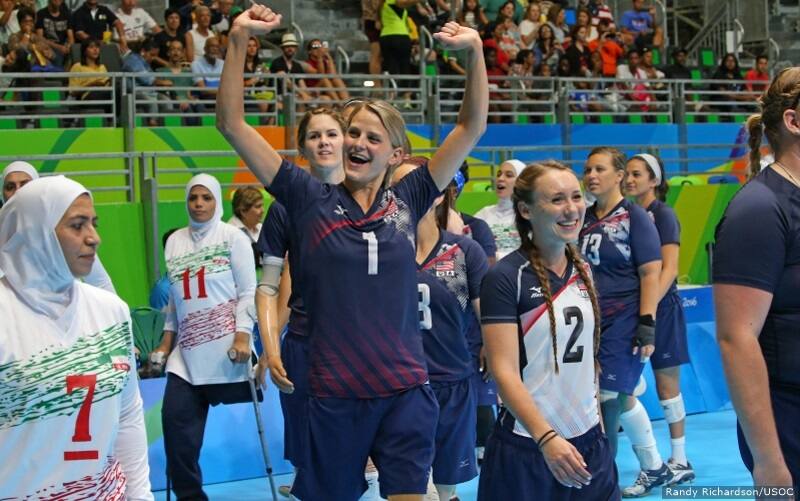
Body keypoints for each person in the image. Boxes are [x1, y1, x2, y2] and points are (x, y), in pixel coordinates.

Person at [217, 5, 488, 499]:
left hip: (405, 390)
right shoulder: (307, 198)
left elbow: (470, 128)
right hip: (335, 394)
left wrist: (475, 53)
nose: (357, 142)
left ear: (396, 155)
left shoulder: (410, 197)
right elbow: (232, 124)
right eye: (352, 133)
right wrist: (238, 39)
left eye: (372, 137)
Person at [0, 175, 152, 499]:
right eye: (77, 225)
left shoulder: (111, 311)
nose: (94, 238)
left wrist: (140, 495)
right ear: (36, 232)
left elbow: (127, 416)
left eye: (93, 224)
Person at [478, 160, 620, 500]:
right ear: (526, 210)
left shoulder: (583, 269)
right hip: (528, 448)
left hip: (588, 443)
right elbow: (503, 371)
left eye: (576, 196)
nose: (571, 209)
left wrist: (598, 432)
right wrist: (546, 438)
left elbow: (588, 363)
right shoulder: (505, 278)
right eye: (557, 199)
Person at [714, 67, 800, 492]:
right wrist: (768, 461)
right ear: (793, 121)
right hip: (790, 422)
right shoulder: (759, 210)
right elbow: (736, 338)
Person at [254, 105, 347, 498]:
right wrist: (270, 347)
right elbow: (270, 286)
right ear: (302, 149)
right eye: (314, 136)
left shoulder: (371, 197)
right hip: (306, 347)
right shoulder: (285, 208)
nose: (323, 142)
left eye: (331, 133)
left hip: (365, 347)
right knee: (309, 455)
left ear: (346, 141)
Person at [150, 173, 257, 499]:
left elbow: (248, 292)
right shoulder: (174, 241)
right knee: (176, 432)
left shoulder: (233, 238)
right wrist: (166, 342)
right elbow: (175, 300)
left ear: (217, 201)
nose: (198, 204)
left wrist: (243, 336)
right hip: (185, 357)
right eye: (193, 198)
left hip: (227, 352)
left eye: (206, 197)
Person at [392, 159, 488, 500]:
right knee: (409, 486)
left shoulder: (464, 251)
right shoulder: (380, 251)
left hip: (452, 383)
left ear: (436, 194)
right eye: (395, 189)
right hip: (398, 386)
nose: (402, 195)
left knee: (446, 486)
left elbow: (490, 319)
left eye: (412, 186)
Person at [579, 147, 672, 497]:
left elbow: (651, 272)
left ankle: (603, 483)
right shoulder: (582, 216)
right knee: (616, 395)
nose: (591, 175)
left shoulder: (636, 217)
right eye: (587, 169)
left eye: (599, 169)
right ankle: (654, 466)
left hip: (625, 319)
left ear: (619, 176)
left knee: (608, 398)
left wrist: (647, 323)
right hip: (589, 321)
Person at [624, 153, 695, 485]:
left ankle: (680, 459)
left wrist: (648, 309)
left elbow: (669, 268)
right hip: (631, 311)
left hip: (661, 311)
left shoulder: (663, 215)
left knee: (668, 387)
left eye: (637, 174)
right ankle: (650, 463)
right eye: (626, 173)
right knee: (622, 388)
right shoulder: (624, 215)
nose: (629, 179)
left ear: (654, 180)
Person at [2, 161, 116, 292]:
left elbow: (101, 282)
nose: (18, 191)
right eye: (10, 187)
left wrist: (113, 306)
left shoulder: (61, 229)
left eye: (25, 185)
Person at [474, 159, 524, 260]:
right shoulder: (483, 214)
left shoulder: (528, 215)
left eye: (509, 175)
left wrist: (497, 257)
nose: (500, 178)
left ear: (521, 183)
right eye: (499, 174)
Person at [35, 0, 73, 68]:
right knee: (55, 56)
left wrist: (69, 46)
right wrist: (58, 47)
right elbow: (39, 38)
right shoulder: (41, 14)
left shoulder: (67, 14)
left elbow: (71, 38)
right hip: (47, 47)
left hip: (63, 49)